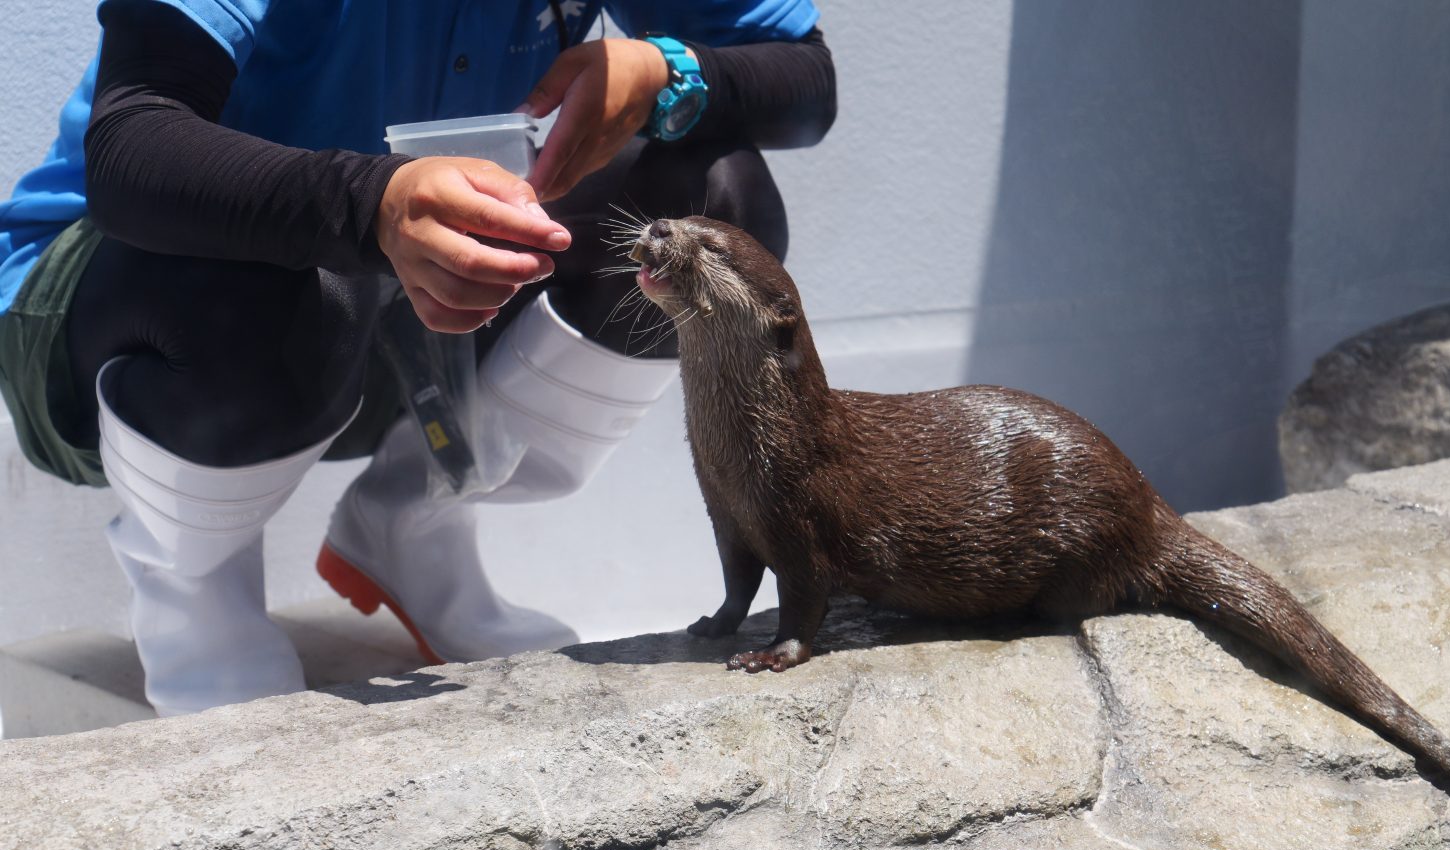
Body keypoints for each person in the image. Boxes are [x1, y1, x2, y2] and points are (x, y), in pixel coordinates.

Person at [0, 0, 836, 718]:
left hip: (395, 309)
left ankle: (414, 518)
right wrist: (373, 202)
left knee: (714, 205)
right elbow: (131, 148)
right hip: (137, 312)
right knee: (297, 273)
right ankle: (196, 605)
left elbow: (807, 82)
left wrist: (668, 75)